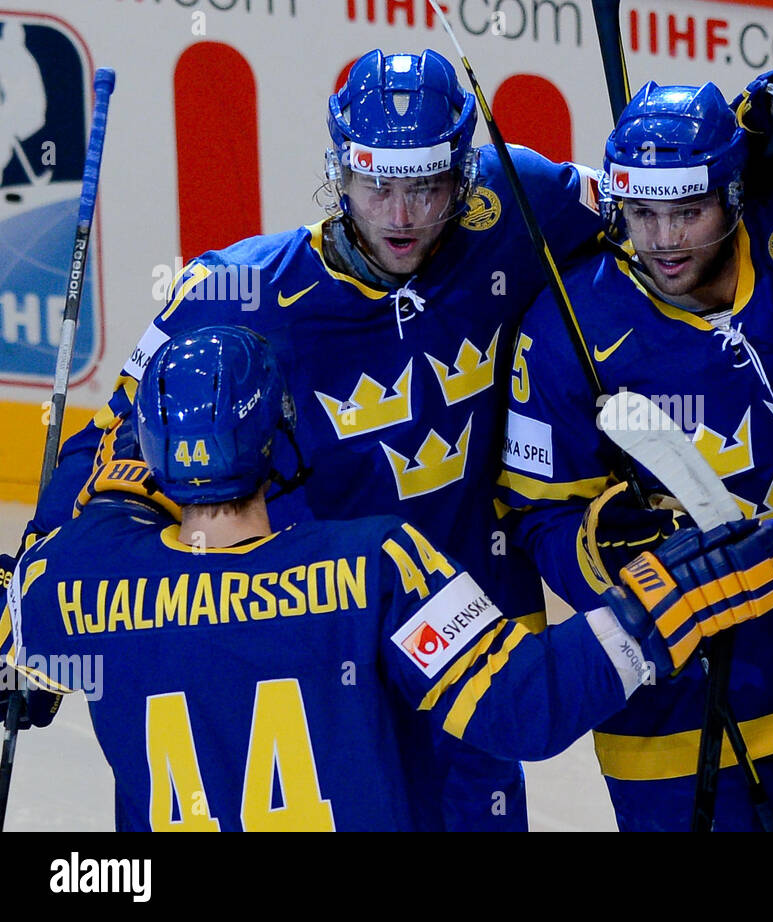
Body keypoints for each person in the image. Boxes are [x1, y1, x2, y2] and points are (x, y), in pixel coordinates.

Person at [23, 48, 607, 830]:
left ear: (464, 175)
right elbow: (116, 446)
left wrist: (760, 154)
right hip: (328, 651)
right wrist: (40, 586)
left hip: (475, 644)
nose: (401, 215)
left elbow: (655, 221)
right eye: (378, 186)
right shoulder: (240, 291)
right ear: (341, 170)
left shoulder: (519, 203)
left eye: (427, 188)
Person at [0, 325, 773, 831]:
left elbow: (34, 593)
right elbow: (522, 709)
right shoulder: (373, 565)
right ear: (279, 439)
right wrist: (665, 604)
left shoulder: (75, 577)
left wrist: (33, 623)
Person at [498, 64, 773, 830]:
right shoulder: (564, 329)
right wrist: (606, 542)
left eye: (690, 210)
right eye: (642, 212)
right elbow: (538, 520)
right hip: (672, 727)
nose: (665, 239)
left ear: (734, 193)